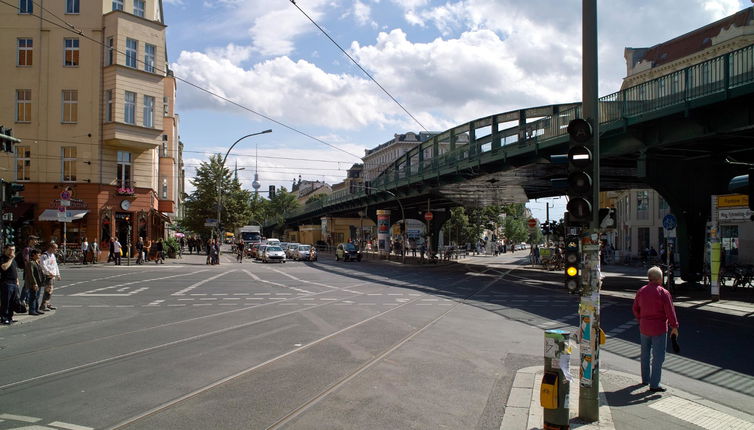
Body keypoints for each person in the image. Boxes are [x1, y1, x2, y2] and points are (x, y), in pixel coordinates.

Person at [632, 266, 680, 392]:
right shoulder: (663, 293)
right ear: (659, 278)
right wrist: (674, 326)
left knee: (645, 354)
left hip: (644, 327)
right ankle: (654, 384)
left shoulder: (641, 291)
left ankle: (645, 379)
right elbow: (670, 311)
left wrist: (641, 319)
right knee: (658, 357)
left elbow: (635, 308)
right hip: (659, 328)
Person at [0, 244, 20, 324]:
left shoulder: (13, 260)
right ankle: (4, 318)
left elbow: (15, 270)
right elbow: (4, 267)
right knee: (6, 302)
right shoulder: (2, 258)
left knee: (12, 302)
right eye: (10, 249)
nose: (12, 251)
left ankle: (10, 317)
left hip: (14, 283)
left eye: (13, 250)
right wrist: (11, 259)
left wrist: (17, 280)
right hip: (6, 283)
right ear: (5, 250)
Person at [40, 243, 61, 312]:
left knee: (50, 291)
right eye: (55, 248)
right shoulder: (44, 255)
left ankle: (47, 304)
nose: (56, 250)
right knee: (48, 291)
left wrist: (58, 274)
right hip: (48, 276)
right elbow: (43, 265)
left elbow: (55, 265)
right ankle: (43, 305)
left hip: (53, 275)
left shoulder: (52, 255)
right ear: (50, 248)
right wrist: (49, 272)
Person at [25, 249, 44, 316]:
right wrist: (34, 283)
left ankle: (36, 309)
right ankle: (32, 310)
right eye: (38, 254)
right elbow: (31, 274)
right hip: (34, 283)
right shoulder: (31, 263)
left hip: (38, 283)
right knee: (33, 296)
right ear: (33, 255)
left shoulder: (37, 262)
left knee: (37, 296)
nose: (40, 255)